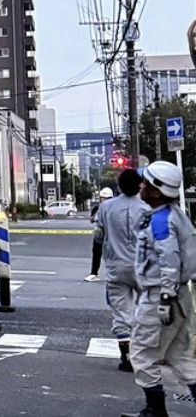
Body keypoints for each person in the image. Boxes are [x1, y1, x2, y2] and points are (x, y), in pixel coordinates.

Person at [121, 161, 196, 417]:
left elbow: (169, 260)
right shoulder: (174, 215)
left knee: (142, 354)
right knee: (181, 357)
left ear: (155, 191)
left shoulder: (162, 221)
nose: (140, 186)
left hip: (161, 298)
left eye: (145, 183)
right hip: (179, 296)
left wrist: (164, 297)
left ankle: (155, 411)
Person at [94, 172, 147, 372]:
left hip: (116, 265)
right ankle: (146, 351)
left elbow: (98, 236)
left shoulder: (106, 207)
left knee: (121, 310)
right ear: (140, 185)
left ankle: (126, 353)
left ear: (119, 185)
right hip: (143, 266)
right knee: (146, 307)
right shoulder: (146, 208)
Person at [86, 186, 116, 282]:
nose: (105, 200)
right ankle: (94, 273)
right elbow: (91, 219)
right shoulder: (97, 208)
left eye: (107, 198)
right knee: (96, 252)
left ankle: (114, 274)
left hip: (112, 233)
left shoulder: (114, 208)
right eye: (103, 198)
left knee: (112, 254)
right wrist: (98, 214)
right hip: (99, 233)